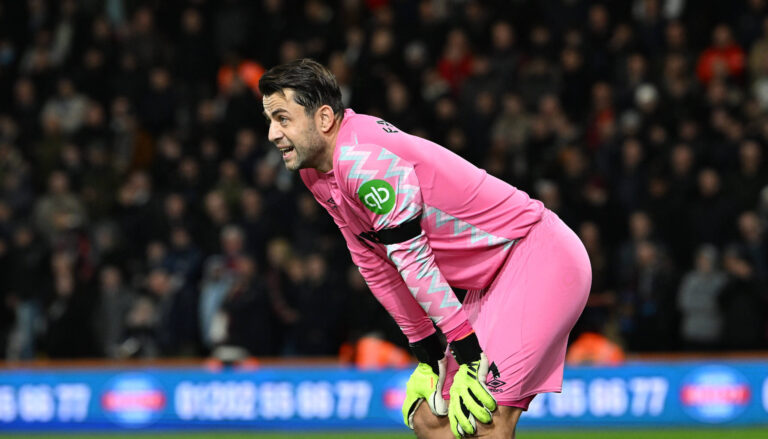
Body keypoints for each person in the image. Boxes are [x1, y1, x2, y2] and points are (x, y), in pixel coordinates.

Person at [259, 59, 591, 439]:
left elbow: (412, 259)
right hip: (491, 280)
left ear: (323, 119)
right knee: (431, 422)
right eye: (270, 120)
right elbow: (372, 258)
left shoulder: (362, 161)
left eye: (283, 119)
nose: (272, 133)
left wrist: (467, 351)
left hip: (537, 256)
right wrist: (428, 351)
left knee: (483, 420)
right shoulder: (315, 171)